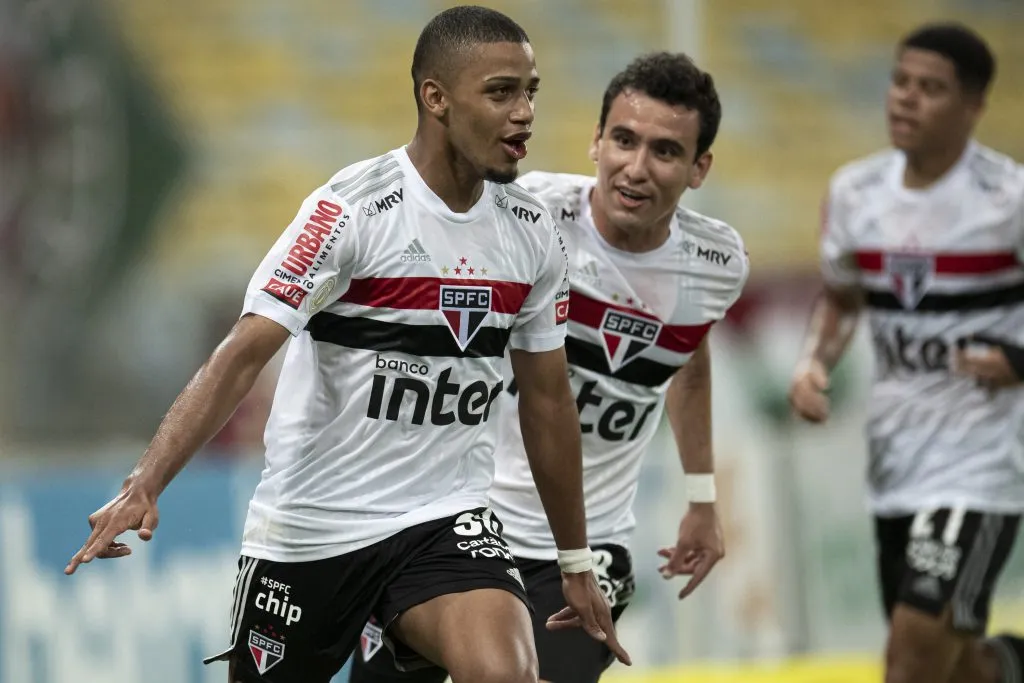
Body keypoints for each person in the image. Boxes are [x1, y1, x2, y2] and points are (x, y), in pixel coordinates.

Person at [63, 6, 629, 683]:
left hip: (443, 517)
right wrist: (144, 483)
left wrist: (573, 560)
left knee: (507, 675)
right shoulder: (351, 212)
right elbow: (243, 352)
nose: (524, 113)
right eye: (501, 91)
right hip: (313, 528)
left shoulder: (532, 233)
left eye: (530, 91)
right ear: (436, 98)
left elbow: (545, 401)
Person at [351, 51, 748, 683]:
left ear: (699, 168)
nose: (636, 168)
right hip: (451, 530)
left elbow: (688, 359)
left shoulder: (716, 262)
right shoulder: (525, 216)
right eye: (623, 140)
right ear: (595, 141)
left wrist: (701, 496)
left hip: (586, 550)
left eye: (666, 152)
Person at [789, 22, 1024, 683]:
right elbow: (840, 298)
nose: (905, 99)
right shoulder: (855, 193)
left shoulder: (1009, 199)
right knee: (951, 661)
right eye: (900, 82)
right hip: (895, 461)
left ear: (974, 106)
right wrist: (814, 362)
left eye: (930, 88)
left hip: (978, 464)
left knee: (911, 654)